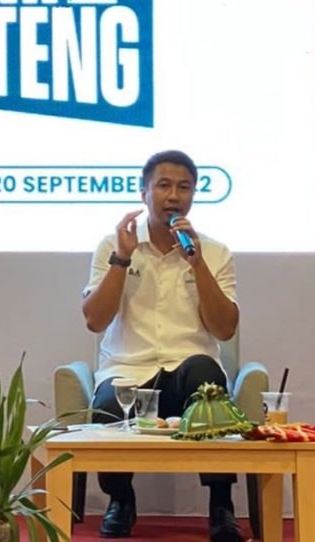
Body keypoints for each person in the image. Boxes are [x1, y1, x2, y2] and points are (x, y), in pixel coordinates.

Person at [81, 150, 242, 542]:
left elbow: (224, 329)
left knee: (207, 376)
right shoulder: (114, 245)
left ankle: (221, 505)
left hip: (188, 372)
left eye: (184, 187)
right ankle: (121, 500)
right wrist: (122, 259)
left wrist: (197, 265)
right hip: (129, 370)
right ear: (144, 193)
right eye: (164, 185)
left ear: (193, 195)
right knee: (108, 402)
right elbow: (95, 320)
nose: (173, 196)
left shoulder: (214, 252)